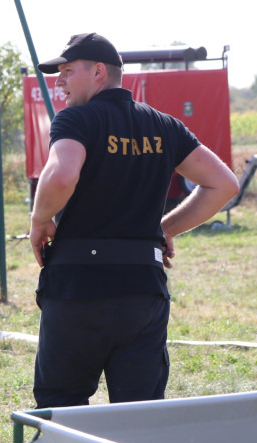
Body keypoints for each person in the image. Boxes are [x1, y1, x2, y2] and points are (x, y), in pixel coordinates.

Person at [29, 33, 238, 408]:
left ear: (97, 72)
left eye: (66, 71)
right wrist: (165, 229)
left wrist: (40, 219)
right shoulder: (164, 125)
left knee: (61, 412)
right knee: (141, 416)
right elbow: (223, 184)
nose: (58, 81)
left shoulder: (74, 119)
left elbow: (61, 176)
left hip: (78, 289)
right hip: (144, 290)